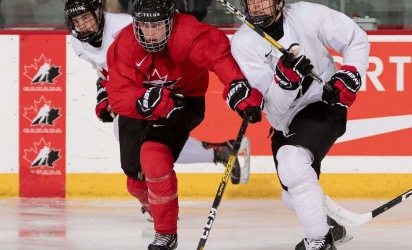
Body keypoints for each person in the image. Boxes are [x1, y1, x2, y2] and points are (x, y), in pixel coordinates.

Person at [64, 0, 251, 224]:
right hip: (135, 92)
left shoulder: (124, 28)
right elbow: (105, 69)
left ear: (98, 13)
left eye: (86, 18)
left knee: (155, 151)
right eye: (77, 21)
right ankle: (219, 151)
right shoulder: (78, 43)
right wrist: (105, 93)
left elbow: (153, 51)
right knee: (137, 163)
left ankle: (213, 155)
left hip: (162, 88)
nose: (83, 25)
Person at [105, 0, 263, 247]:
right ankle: (158, 209)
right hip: (142, 104)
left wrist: (236, 86)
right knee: (135, 183)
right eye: (144, 26)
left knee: (154, 158)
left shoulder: (187, 32)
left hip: (183, 100)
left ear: (171, 21)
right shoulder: (125, 43)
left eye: (157, 26)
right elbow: (118, 92)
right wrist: (141, 102)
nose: (150, 33)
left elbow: (218, 55)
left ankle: (166, 233)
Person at [230, 0, 370, 249]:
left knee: (291, 159)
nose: (256, 6)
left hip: (325, 102)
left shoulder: (306, 14)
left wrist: (350, 73)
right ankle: (329, 226)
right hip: (285, 120)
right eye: (251, 0)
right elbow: (273, 107)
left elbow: (355, 39)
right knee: (290, 191)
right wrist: (285, 82)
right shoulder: (243, 43)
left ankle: (320, 240)